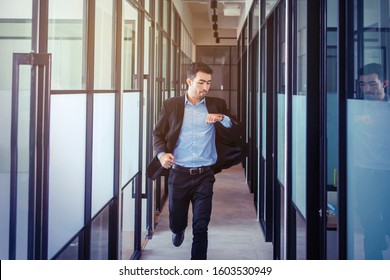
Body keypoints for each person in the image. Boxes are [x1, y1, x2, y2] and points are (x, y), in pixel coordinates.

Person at [146, 62, 243, 260]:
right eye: (201, 82)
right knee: (177, 220)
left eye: (208, 83)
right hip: (178, 174)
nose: (205, 88)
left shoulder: (217, 105)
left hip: (204, 175)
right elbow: (157, 133)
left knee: (201, 226)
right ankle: (178, 229)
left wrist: (221, 118)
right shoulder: (171, 105)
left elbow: (236, 130)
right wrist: (161, 154)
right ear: (188, 81)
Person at [353, 63, 390, 259]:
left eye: (372, 84)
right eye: (362, 85)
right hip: (364, 173)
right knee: (370, 225)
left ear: (384, 83)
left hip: (387, 173)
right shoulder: (355, 109)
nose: (367, 89)